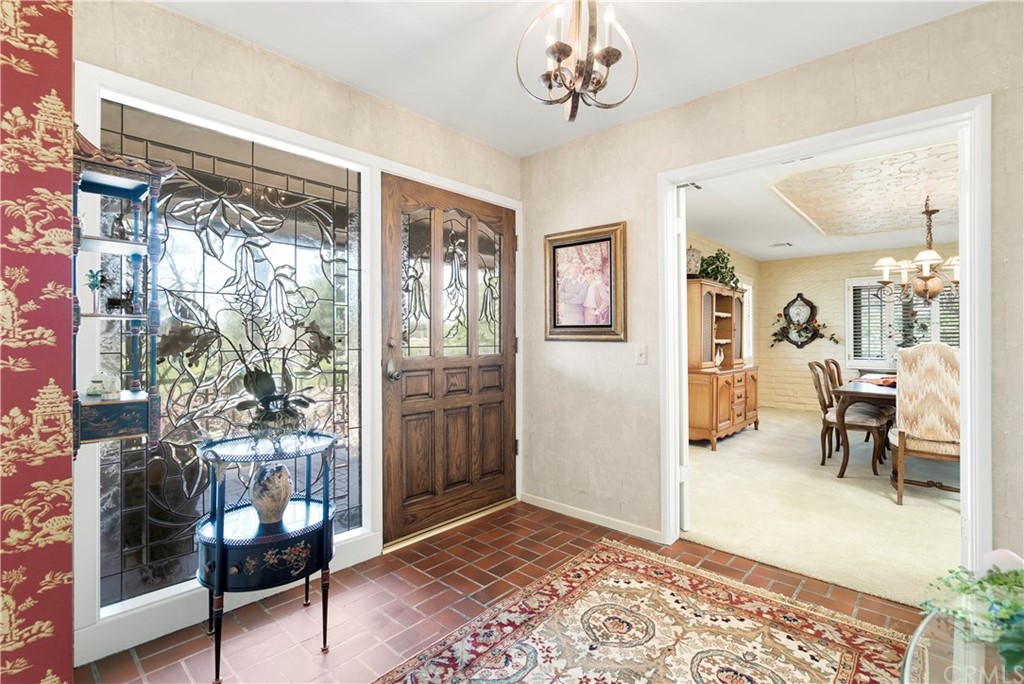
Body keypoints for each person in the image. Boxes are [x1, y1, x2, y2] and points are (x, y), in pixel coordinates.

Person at [557, 260, 587, 325]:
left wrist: (565, 299)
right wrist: (573, 295)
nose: (575, 269)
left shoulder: (584, 281)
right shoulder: (565, 280)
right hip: (565, 313)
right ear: (570, 268)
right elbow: (559, 295)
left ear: (580, 269)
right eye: (573, 267)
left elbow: (580, 299)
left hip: (577, 314)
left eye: (577, 267)